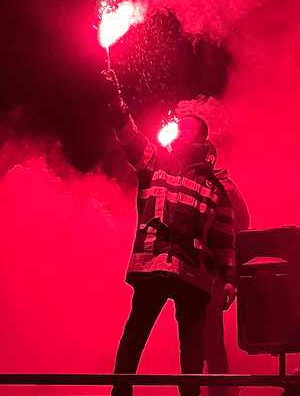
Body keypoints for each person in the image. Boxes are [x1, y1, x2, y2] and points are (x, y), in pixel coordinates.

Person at [102, 69, 236, 396]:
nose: (179, 130)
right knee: (135, 333)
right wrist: (116, 103)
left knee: (192, 346)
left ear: (202, 140)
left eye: (187, 129)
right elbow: (129, 137)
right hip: (153, 263)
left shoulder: (216, 187)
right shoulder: (156, 161)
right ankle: (121, 394)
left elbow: (223, 238)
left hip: (194, 273)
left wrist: (229, 277)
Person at [202, 143, 250, 396]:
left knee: (211, 343)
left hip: (212, 276)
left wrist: (228, 274)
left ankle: (220, 394)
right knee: (196, 342)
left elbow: (238, 231)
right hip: (195, 274)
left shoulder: (226, 190)